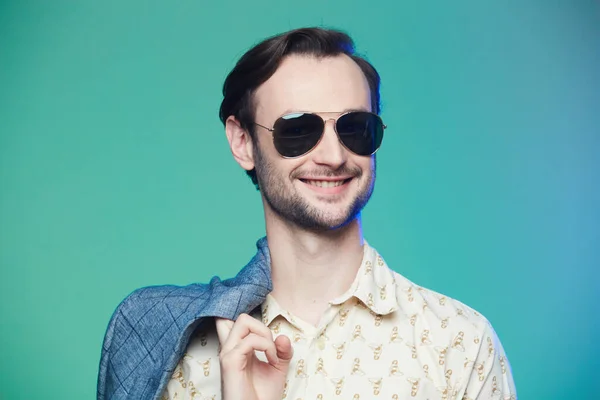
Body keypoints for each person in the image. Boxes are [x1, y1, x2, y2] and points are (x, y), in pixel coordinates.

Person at [97, 27, 517, 400]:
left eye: (355, 128)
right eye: (298, 130)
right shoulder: (171, 349)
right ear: (243, 142)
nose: (334, 156)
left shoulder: (459, 343)